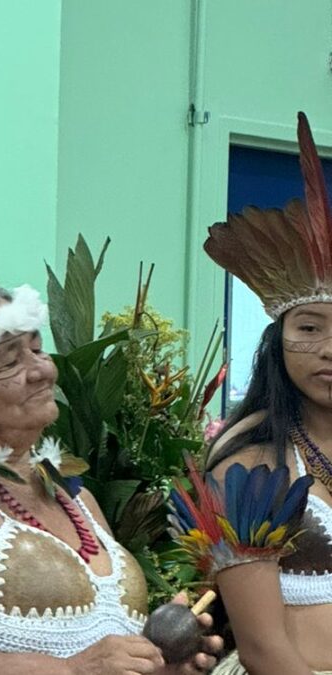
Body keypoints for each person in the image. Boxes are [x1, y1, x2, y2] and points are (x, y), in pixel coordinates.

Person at [0, 279, 222, 674]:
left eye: (37, 348)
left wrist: (159, 663)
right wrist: (73, 670)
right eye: (10, 361)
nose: (42, 370)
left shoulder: (74, 495)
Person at [200, 112, 332, 675]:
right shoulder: (248, 467)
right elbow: (261, 649)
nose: (329, 348)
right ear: (277, 343)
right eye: (309, 328)